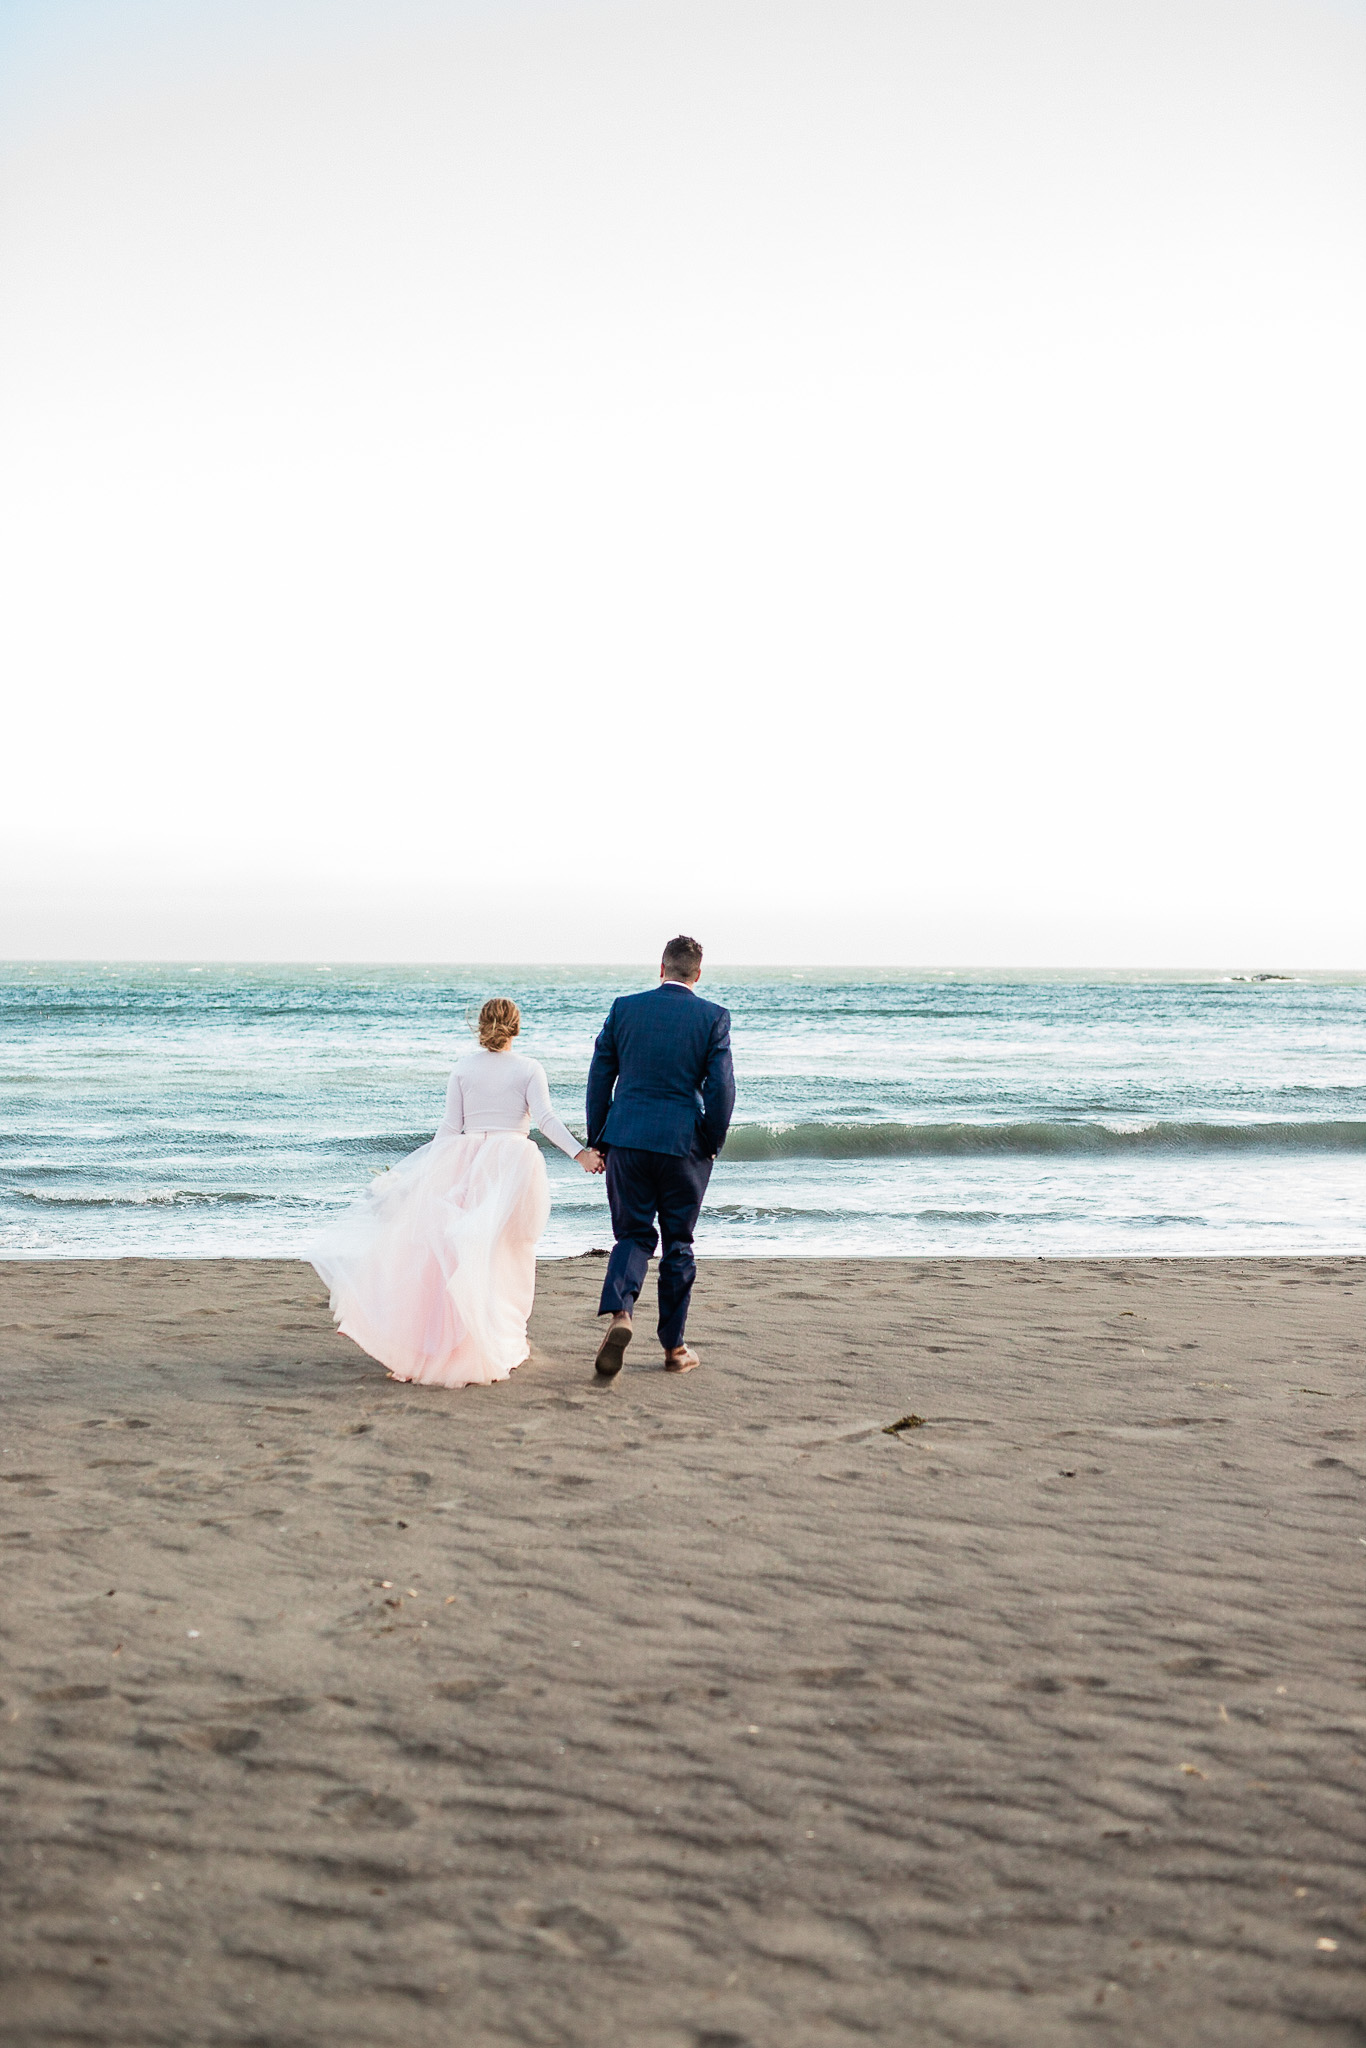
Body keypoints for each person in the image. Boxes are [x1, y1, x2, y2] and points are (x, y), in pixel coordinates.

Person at [311, 998, 603, 1388]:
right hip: (510, 1165)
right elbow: (545, 1119)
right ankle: (492, 1341)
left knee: (458, 1254)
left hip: (465, 1162)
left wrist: (415, 1174)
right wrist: (581, 1154)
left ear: (481, 1027)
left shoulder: (464, 1068)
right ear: (516, 1028)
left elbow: (450, 1129)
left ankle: (451, 1345)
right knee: (503, 1254)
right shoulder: (529, 1069)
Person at [586, 935, 735, 1376]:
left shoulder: (624, 1008)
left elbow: (600, 1076)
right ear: (698, 974)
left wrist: (601, 1137)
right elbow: (722, 1088)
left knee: (632, 1235)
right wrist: (710, 1140)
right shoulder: (713, 1017)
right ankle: (674, 1349)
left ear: (662, 968)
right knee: (678, 1244)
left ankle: (622, 1313)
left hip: (628, 1140)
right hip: (682, 1145)